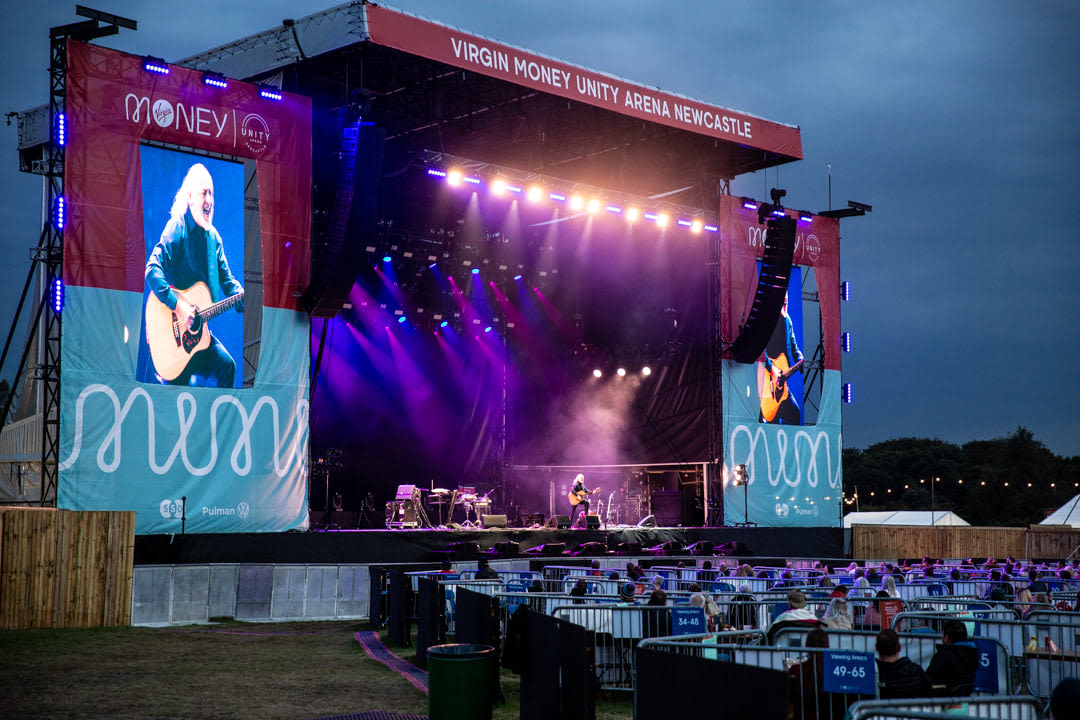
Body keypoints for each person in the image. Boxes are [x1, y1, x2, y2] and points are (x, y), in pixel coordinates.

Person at [145, 162, 244, 387]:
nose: (209, 200)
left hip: (198, 339)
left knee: (227, 365)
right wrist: (178, 305)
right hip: (172, 342)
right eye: (203, 193)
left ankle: (219, 421)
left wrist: (240, 294)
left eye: (211, 194)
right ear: (190, 198)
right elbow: (152, 269)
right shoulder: (177, 227)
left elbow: (228, 282)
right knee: (174, 400)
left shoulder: (214, 239)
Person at [759, 291, 804, 425]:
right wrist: (772, 369)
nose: (785, 306)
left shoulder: (788, 321)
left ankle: (785, 444)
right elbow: (761, 350)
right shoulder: (767, 320)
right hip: (766, 380)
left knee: (795, 414)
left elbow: (794, 348)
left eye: (786, 303)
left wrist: (801, 359)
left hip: (781, 386)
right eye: (782, 302)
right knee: (766, 420)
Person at [926, 619, 978, 696]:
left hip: (943, 700)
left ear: (946, 638)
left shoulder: (943, 656)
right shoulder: (972, 654)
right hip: (964, 699)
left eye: (943, 634)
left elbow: (928, 680)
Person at [875, 629, 931, 699]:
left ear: (876, 647)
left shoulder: (871, 674)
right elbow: (929, 695)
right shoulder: (916, 671)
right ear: (899, 647)